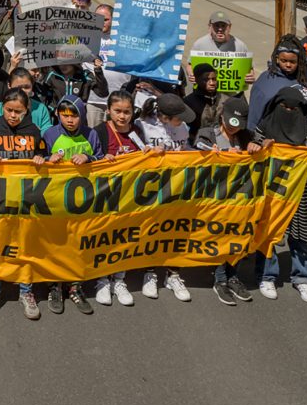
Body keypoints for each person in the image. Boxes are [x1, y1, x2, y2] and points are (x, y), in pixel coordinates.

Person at [0, 88, 46, 320]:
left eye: (19, 111)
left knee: (25, 247)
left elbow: (43, 156)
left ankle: (26, 291)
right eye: (9, 110)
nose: (13, 115)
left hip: (26, 203)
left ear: (27, 111)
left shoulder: (34, 132)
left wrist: (39, 159)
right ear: (2, 108)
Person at [253, 87, 307, 304]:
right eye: (285, 107)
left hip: (301, 189)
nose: (289, 111)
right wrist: (261, 148)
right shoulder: (264, 125)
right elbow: (253, 158)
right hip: (272, 189)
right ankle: (266, 276)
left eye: (294, 108)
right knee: (269, 231)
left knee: (301, 235)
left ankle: (303, 277)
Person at [194, 98, 262, 306]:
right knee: (220, 237)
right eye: (232, 123)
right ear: (222, 116)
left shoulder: (245, 135)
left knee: (237, 237)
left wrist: (257, 144)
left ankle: (233, 275)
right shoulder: (207, 133)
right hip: (215, 197)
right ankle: (220, 280)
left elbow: (266, 141)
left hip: (240, 198)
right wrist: (220, 154)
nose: (235, 129)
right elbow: (197, 149)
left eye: (239, 124)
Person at [42, 94, 103, 314]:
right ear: (57, 115)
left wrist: (89, 158)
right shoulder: (50, 134)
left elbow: (102, 160)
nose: (69, 120)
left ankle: (75, 287)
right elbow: (37, 161)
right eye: (64, 115)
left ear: (82, 116)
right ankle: (54, 285)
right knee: (56, 243)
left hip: (82, 203)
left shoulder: (91, 134)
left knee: (77, 244)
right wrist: (49, 159)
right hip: (56, 200)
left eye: (74, 115)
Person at [92, 90, 150, 306]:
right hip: (107, 197)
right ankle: (102, 281)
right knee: (105, 239)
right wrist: (100, 159)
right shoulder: (99, 131)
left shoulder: (138, 131)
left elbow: (146, 156)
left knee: (125, 239)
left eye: (127, 112)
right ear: (108, 111)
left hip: (131, 197)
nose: (122, 116)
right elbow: (91, 159)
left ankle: (119, 279)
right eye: (117, 111)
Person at [137, 93, 195, 301]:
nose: (182, 121)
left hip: (178, 188)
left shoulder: (183, 127)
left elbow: (186, 148)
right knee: (152, 231)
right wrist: (150, 153)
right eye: (178, 117)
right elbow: (134, 155)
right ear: (164, 116)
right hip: (152, 190)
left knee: (177, 230)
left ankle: (173, 274)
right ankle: (149, 272)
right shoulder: (142, 125)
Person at [248, 36, 307, 131]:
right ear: (277, 58)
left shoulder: (306, 81)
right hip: (273, 138)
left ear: (299, 61)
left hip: (302, 138)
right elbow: (255, 115)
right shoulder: (266, 80)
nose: (288, 65)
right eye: (284, 61)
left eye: (292, 62)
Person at [186, 11, 256, 86]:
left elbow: (250, 69)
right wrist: (191, 74)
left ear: (229, 27)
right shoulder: (199, 44)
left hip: (233, 95)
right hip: (206, 93)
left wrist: (250, 77)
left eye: (223, 26)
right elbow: (190, 64)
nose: (220, 29)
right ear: (210, 27)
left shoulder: (240, 45)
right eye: (216, 26)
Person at [0, 67, 53, 135]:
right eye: (18, 88)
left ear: (32, 85)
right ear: (9, 85)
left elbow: (47, 133)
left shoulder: (41, 108)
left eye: (26, 87)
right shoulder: (0, 108)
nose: (23, 91)